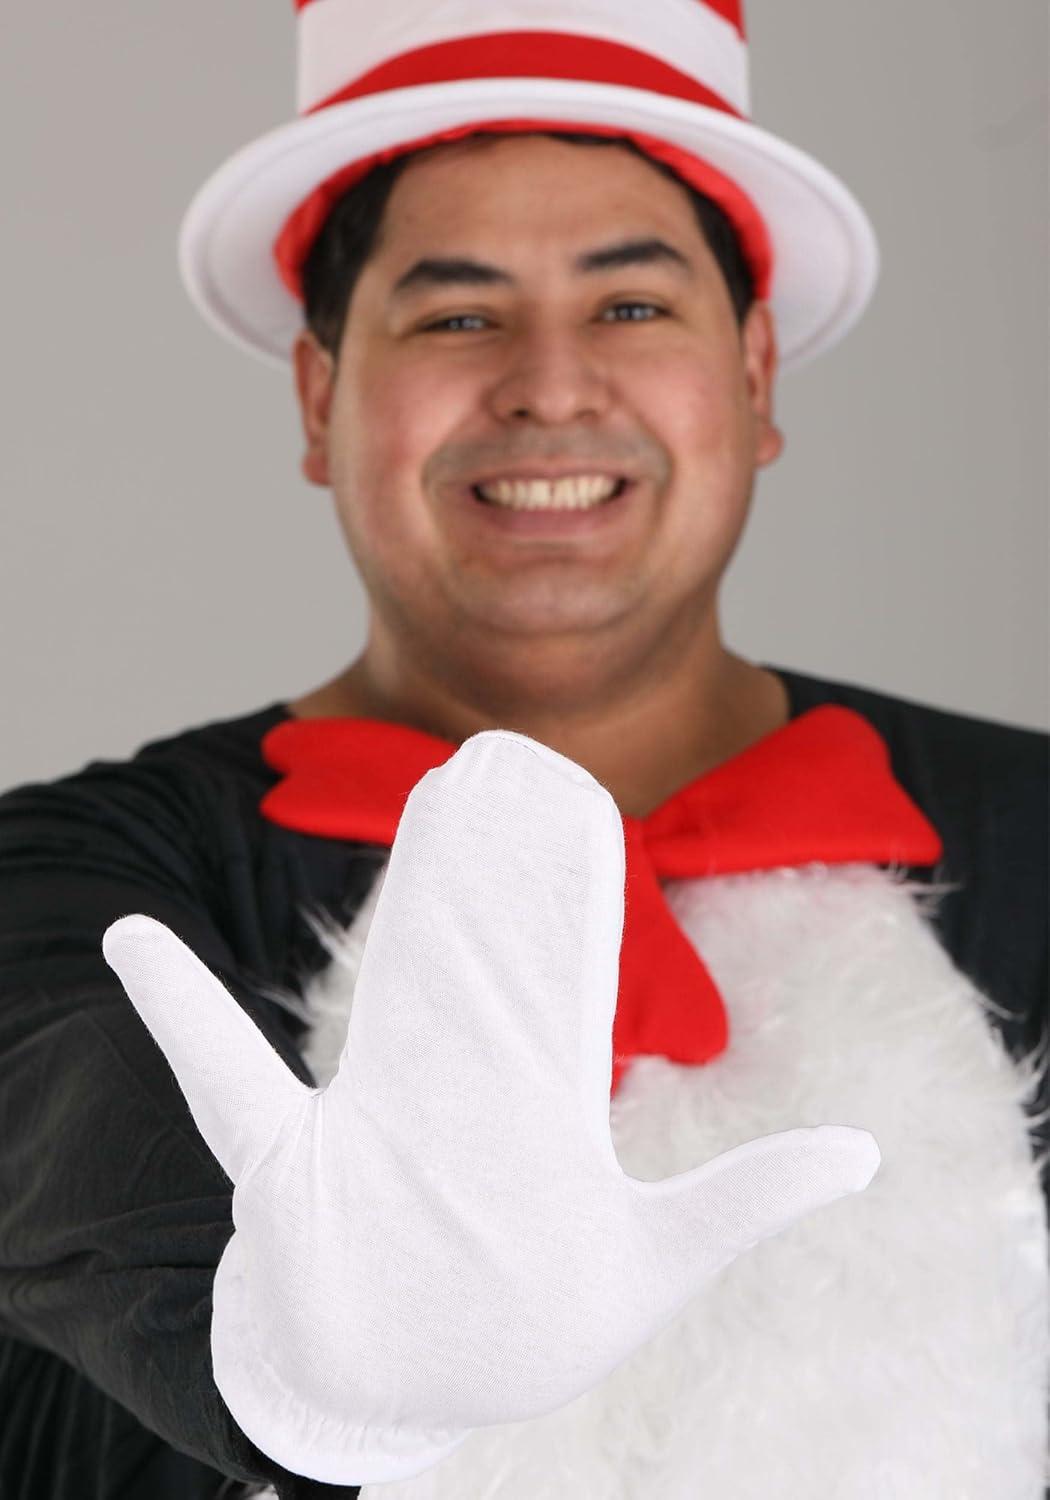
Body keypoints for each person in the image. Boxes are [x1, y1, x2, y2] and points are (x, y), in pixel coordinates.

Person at [1, 3, 1046, 1498]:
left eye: (631, 306)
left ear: (755, 374)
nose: (550, 385)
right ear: (319, 393)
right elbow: (57, 1128)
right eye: (455, 315)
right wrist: (304, 1367)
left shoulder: (1035, 838)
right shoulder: (68, 876)